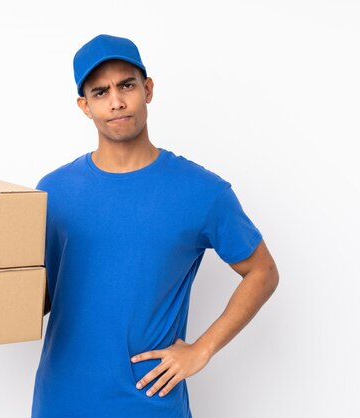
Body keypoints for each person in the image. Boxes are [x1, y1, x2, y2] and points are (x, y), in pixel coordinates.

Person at [30, 34, 279, 418]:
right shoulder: (53, 191)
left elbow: (262, 271)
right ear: (85, 106)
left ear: (147, 89)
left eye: (126, 85)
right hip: (62, 399)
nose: (116, 101)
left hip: (149, 401)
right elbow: (38, 298)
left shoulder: (201, 192)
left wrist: (202, 349)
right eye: (100, 92)